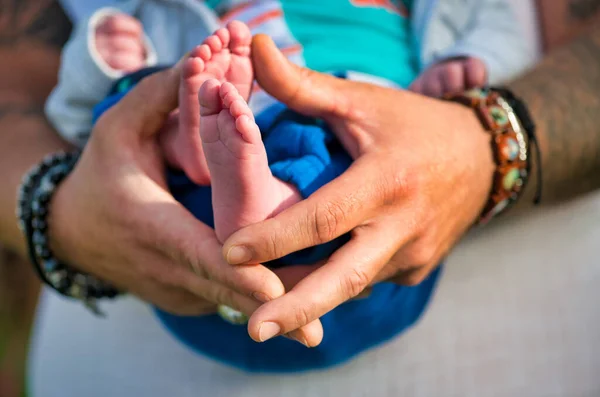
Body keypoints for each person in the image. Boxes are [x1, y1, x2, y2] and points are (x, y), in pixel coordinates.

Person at [0, 0, 600, 395]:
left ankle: (256, 189)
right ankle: (201, 150)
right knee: (128, 105)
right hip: (151, 222)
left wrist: (475, 100)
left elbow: (495, 19)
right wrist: (103, 63)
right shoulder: (165, 16)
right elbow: (44, 92)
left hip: (374, 130)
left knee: (330, 161)